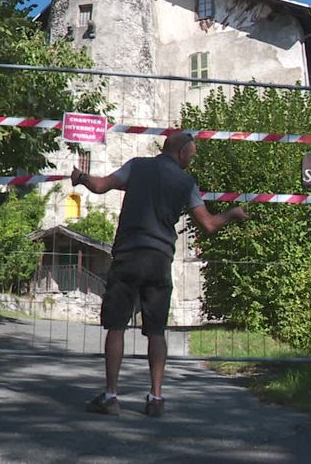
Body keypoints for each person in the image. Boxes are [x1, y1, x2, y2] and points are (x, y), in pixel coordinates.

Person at [70, 130, 248, 417]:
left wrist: (81, 177)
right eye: (192, 153)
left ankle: (111, 396)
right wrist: (233, 214)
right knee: (156, 331)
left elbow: (101, 186)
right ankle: (155, 398)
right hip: (159, 259)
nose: (192, 158)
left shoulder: (137, 166)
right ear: (180, 152)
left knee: (116, 326)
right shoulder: (186, 182)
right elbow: (209, 225)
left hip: (128, 255)